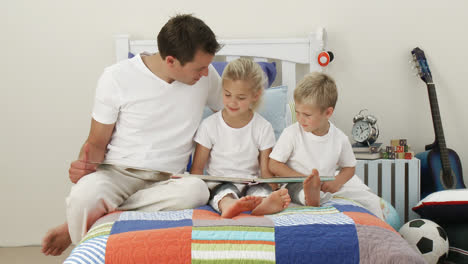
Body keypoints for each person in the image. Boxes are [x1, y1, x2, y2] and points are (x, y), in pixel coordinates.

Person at [41, 14, 224, 256]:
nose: (205, 73)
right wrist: (84, 167)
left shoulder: (207, 77)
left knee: (197, 190)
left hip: (169, 182)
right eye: (199, 68)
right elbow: (96, 142)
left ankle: (103, 212)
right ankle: (90, 233)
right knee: (83, 196)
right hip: (117, 174)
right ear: (171, 61)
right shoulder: (116, 77)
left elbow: (233, 115)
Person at [268, 72, 384, 219]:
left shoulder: (340, 138)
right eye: (297, 113)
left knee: (370, 200)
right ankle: (311, 197)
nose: (300, 119)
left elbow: (349, 167)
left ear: (328, 112)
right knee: (297, 192)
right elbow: (274, 164)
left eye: (307, 115)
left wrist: (337, 181)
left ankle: (316, 194)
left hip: (326, 186)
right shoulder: (291, 133)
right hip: (295, 182)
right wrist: (303, 179)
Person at [190, 58, 291, 218]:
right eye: (227, 94)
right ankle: (229, 205)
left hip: (251, 181)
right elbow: (197, 168)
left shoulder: (263, 127)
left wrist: (274, 187)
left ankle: (264, 203)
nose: (232, 102)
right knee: (223, 192)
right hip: (219, 181)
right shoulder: (209, 125)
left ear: (255, 95)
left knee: (261, 191)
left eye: (241, 97)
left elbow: (265, 171)